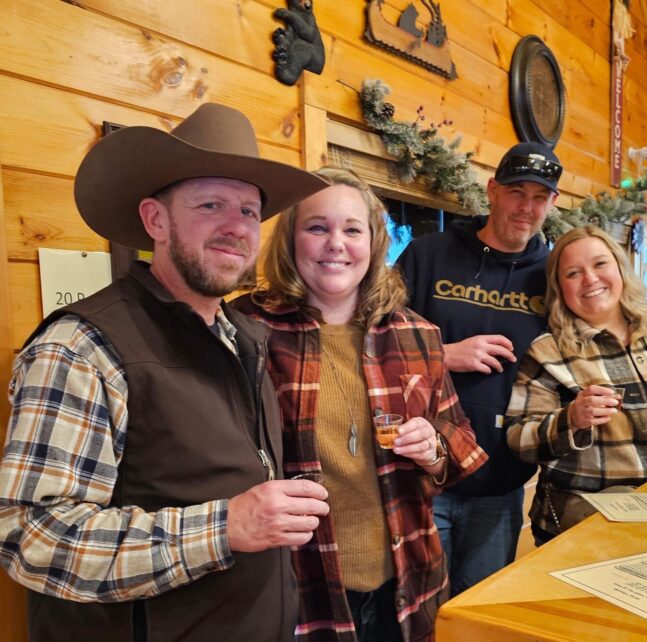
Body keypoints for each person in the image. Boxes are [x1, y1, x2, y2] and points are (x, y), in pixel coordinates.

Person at [0, 103, 332, 642]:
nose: (236, 227)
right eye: (211, 205)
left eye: (249, 212)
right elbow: (32, 539)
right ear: (155, 219)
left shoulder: (243, 336)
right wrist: (225, 526)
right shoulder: (81, 346)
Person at [232, 167, 488, 642]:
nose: (336, 243)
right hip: (296, 585)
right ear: (290, 240)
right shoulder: (245, 329)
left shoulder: (417, 333)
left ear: (374, 244)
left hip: (408, 580)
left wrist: (434, 447)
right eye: (317, 227)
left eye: (353, 229)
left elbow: (460, 443)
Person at [396, 142, 561, 594]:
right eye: (516, 192)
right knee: (419, 614)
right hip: (423, 478)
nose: (526, 207)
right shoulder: (427, 255)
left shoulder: (553, 275)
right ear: (492, 190)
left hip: (501, 484)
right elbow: (372, 340)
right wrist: (443, 354)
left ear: (553, 203)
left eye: (539, 197)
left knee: (478, 614)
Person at [506, 225, 647, 544]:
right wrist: (571, 420)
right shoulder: (548, 351)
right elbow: (517, 437)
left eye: (599, 264)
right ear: (558, 287)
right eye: (573, 273)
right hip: (586, 528)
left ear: (620, 267)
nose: (590, 280)